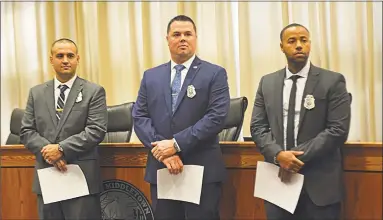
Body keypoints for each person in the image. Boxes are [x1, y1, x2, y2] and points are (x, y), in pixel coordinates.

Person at [132, 15, 230, 220]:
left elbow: (216, 117)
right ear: (167, 39)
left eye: (188, 34)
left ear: (196, 38)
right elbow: (140, 116)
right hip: (162, 169)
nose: (182, 38)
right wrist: (165, 152)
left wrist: (176, 144)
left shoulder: (214, 73)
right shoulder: (151, 76)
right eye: (176, 34)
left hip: (201, 170)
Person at [250, 23, 351, 219]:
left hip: (320, 183)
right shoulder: (267, 82)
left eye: (303, 40)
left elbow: (338, 129)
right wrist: (278, 155)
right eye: (292, 41)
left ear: (310, 44)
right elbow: (258, 127)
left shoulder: (332, 81)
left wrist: (294, 158)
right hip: (279, 182)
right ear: (281, 47)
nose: (299, 45)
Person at [20, 38, 108, 220]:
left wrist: (60, 149)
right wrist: (49, 153)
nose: (65, 60)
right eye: (60, 56)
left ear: (78, 58)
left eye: (70, 55)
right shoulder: (36, 93)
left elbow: (96, 130)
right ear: (51, 59)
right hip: (47, 175)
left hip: (80, 176)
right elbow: (27, 131)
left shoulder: (94, 91)